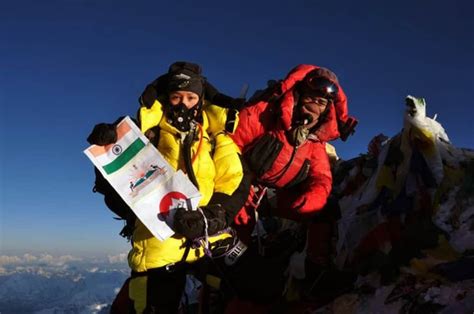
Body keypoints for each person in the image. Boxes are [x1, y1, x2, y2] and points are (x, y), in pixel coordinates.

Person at [87, 61, 251, 313]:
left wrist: (212, 218)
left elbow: (235, 181)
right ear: (166, 97)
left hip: (209, 236)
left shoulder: (218, 139)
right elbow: (118, 187)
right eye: (176, 96)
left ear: (200, 99)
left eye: (190, 97)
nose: (183, 103)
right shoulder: (144, 134)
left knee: (252, 286)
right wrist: (107, 150)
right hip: (158, 242)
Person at [230, 64, 358, 299]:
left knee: (325, 211)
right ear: (298, 95)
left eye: (322, 103)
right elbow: (230, 145)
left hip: (275, 196)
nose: (315, 107)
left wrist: (314, 197)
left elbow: (321, 177)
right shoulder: (264, 113)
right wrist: (242, 185)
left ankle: (315, 272)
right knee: (239, 239)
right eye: (311, 98)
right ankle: (233, 288)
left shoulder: (315, 141)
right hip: (244, 187)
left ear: (328, 109)